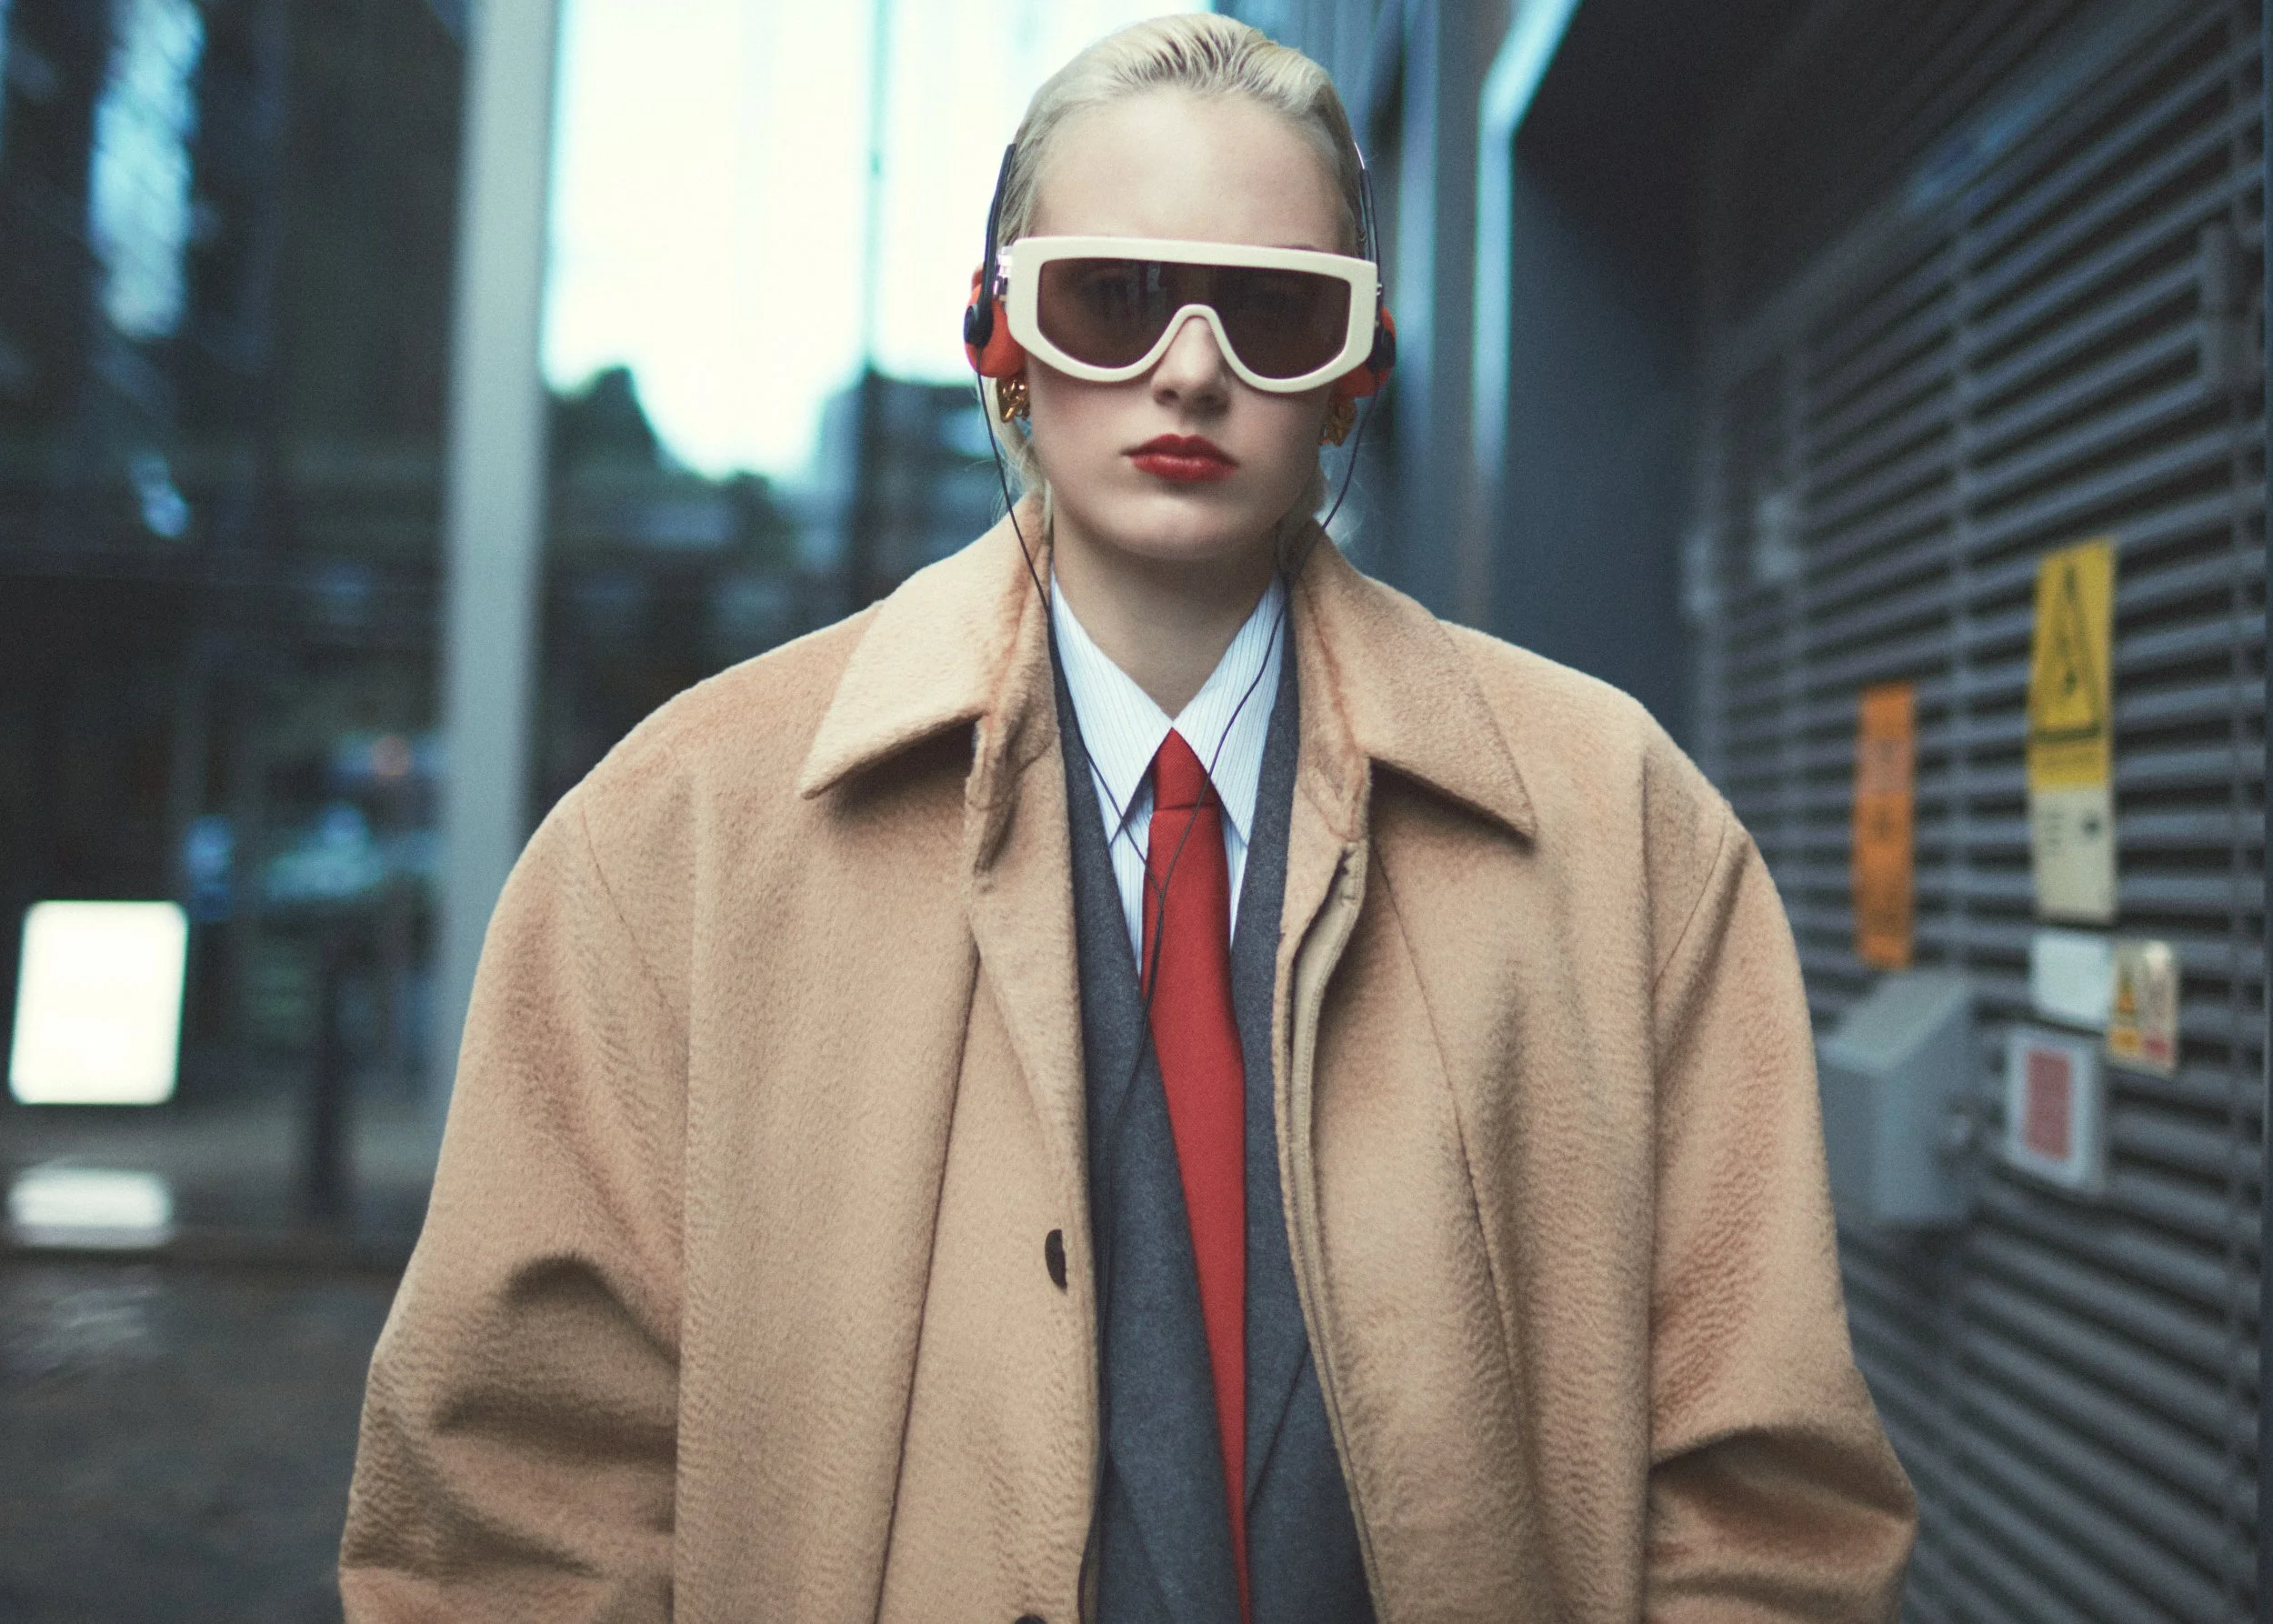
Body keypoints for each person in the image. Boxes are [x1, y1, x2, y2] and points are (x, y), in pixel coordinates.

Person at [340, 15, 1915, 1621]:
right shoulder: (676, 837)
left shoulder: (1620, 825)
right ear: (996, 331)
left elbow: (1764, 1497)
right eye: (1114, 296)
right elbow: (512, 1511)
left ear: (1359, 363)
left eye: (1280, 313)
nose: (1189, 368)